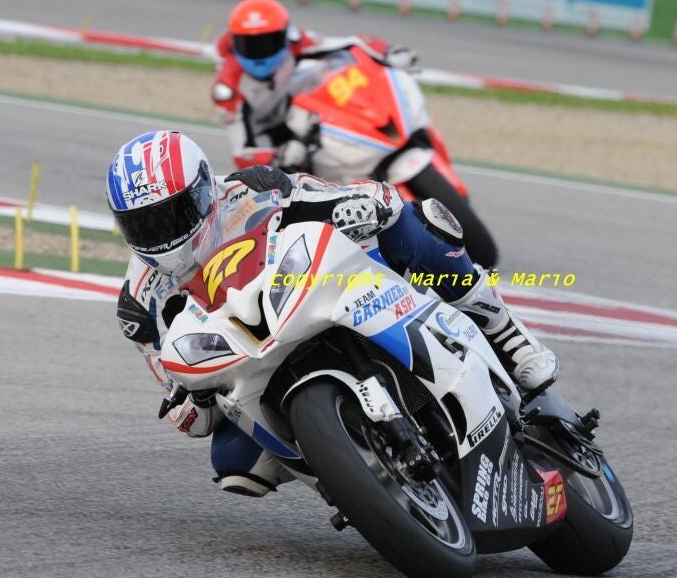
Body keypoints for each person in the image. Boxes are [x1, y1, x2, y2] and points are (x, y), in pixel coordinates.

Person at [108, 130, 558, 497]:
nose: (160, 233)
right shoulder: (138, 304)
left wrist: (356, 206)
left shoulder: (252, 188)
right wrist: (192, 402)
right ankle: (358, 482)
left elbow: (342, 195)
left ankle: (505, 330)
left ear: (203, 188)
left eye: (171, 214)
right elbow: (183, 404)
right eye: (142, 224)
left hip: (309, 292)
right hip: (247, 354)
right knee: (233, 462)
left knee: (418, 223)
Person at [211, 0, 418, 170]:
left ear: (284, 37)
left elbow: (346, 43)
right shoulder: (226, 88)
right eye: (249, 45)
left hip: (297, 117)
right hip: (266, 137)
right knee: (283, 184)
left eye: (267, 42)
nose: (259, 53)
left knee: (320, 77)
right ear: (235, 44)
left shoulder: (296, 41)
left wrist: (387, 51)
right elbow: (242, 153)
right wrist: (276, 155)